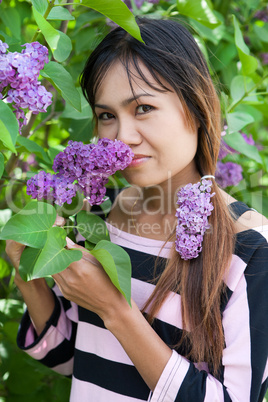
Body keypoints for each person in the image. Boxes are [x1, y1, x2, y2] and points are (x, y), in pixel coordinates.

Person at [5, 17, 268, 402]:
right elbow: (73, 358)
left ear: (196, 107)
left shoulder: (249, 250)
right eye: (107, 115)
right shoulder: (95, 215)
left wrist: (116, 310)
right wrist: (27, 273)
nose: (123, 138)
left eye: (143, 108)